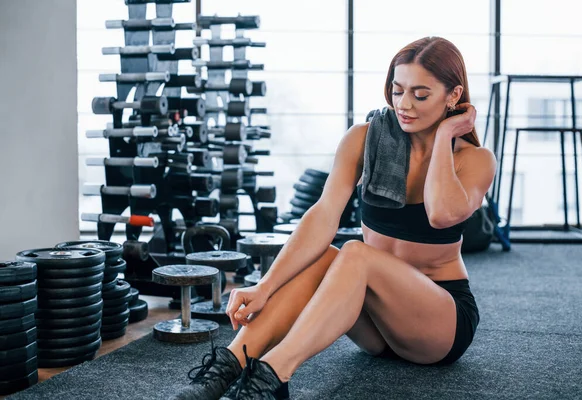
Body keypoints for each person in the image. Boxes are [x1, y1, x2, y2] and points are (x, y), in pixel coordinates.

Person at [174, 36, 497, 400]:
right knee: (330, 253)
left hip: (439, 324)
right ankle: (229, 365)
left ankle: (271, 375)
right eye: (397, 90)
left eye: (420, 95)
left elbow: (440, 214)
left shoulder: (475, 160)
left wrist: (445, 135)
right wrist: (264, 287)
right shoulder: (365, 139)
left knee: (355, 252)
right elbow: (324, 214)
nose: (404, 105)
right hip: (376, 327)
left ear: (453, 96)